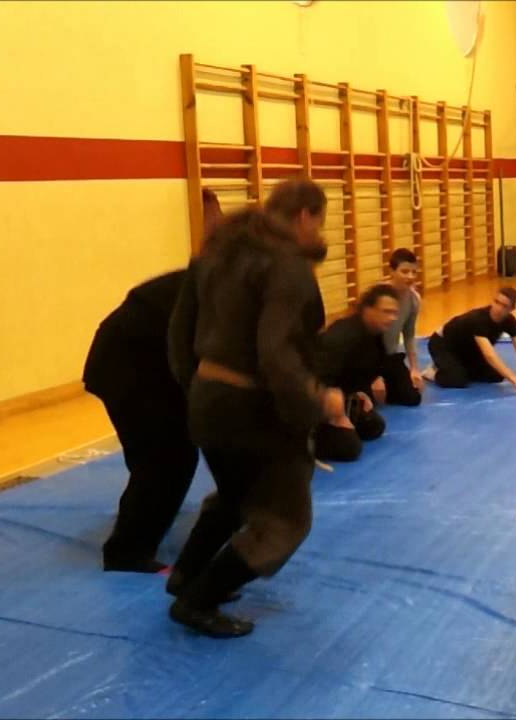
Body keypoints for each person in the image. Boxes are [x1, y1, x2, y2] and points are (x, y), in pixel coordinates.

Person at [165, 178, 344, 638]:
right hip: (253, 409)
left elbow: (179, 335)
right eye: (319, 222)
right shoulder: (286, 266)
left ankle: (186, 575)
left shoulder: (218, 252)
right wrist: (313, 404)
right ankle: (196, 601)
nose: (318, 234)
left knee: (234, 497)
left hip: (209, 401)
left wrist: (199, 389)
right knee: (285, 520)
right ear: (305, 216)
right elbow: (276, 353)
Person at [83, 189, 222, 573]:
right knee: (166, 458)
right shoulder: (216, 283)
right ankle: (126, 552)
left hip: (149, 362)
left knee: (165, 456)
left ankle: (138, 526)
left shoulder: (222, 281)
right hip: (129, 365)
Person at [313, 284, 400, 462]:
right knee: (349, 448)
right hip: (315, 396)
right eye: (385, 312)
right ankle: (305, 440)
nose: (391, 318)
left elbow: (362, 371)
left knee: (374, 426)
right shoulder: (343, 336)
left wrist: (361, 392)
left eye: (394, 313)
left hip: (341, 392)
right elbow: (318, 378)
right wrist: (337, 415)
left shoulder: (375, 334)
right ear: (367, 310)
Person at [422, 287, 516, 397]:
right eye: (496, 302)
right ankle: (431, 372)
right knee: (457, 380)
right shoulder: (479, 319)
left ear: (512, 309)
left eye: (504, 306)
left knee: (496, 376)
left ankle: (460, 367)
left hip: (468, 349)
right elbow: (489, 355)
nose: (498, 308)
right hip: (443, 344)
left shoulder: (510, 321)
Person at [380, 249, 424, 406]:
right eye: (404, 272)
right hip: (368, 358)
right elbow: (362, 337)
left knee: (412, 398)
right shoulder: (378, 296)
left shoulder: (414, 299)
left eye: (414, 272)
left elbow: (409, 334)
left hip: (390, 357)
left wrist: (414, 369)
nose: (410, 277)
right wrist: (373, 375)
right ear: (391, 271)